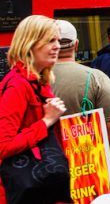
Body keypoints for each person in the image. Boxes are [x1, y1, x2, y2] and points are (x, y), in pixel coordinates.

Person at [51, 20, 110, 191]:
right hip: (90, 171)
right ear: (76, 45)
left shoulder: (31, 79)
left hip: (46, 170)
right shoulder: (95, 78)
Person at [0, 15, 69, 203]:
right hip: (23, 191)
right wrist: (47, 121)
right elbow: (3, 146)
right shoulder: (18, 85)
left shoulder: (38, 82)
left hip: (41, 186)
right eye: (50, 41)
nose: (57, 46)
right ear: (29, 44)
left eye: (58, 40)